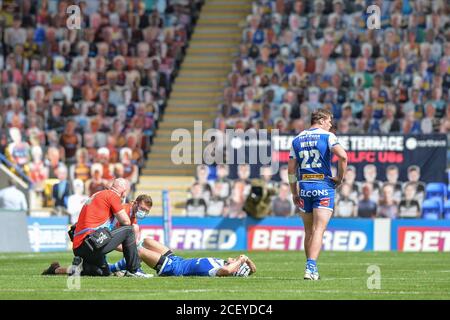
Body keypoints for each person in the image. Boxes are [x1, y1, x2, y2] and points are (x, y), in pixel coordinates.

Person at [288, 108, 347, 280]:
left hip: (304, 186)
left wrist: (294, 192)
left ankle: (310, 268)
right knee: (318, 229)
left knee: (308, 231)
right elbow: (343, 157)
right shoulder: (328, 136)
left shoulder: (297, 139)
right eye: (329, 121)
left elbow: (291, 170)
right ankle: (311, 268)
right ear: (321, 120)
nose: (331, 124)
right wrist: (340, 178)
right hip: (323, 185)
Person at [70, 178, 147, 277]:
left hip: (79, 247)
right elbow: (126, 221)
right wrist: (130, 247)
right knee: (129, 230)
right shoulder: (112, 196)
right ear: (124, 191)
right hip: (91, 242)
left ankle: (80, 266)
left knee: (104, 272)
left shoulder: (98, 194)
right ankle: (134, 270)